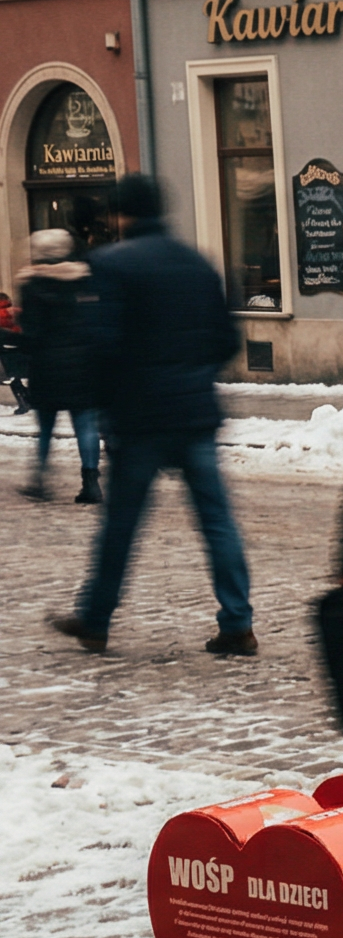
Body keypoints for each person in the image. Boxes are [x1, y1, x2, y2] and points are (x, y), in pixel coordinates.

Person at [48, 175, 255, 657]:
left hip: (140, 418)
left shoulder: (110, 264)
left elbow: (101, 346)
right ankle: (238, 622)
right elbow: (227, 340)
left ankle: (96, 619)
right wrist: (193, 372)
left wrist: (106, 408)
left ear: (121, 216)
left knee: (122, 523)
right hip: (195, 412)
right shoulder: (197, 263)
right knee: (217, 522)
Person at [15, 229, 103, 503]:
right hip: (83, 364)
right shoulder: (84, 280)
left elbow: (31, 332)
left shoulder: (31, 285)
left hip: (47, 366)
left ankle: (40, 481)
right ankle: (91, 484)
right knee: (86, 425)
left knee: (46, 427)